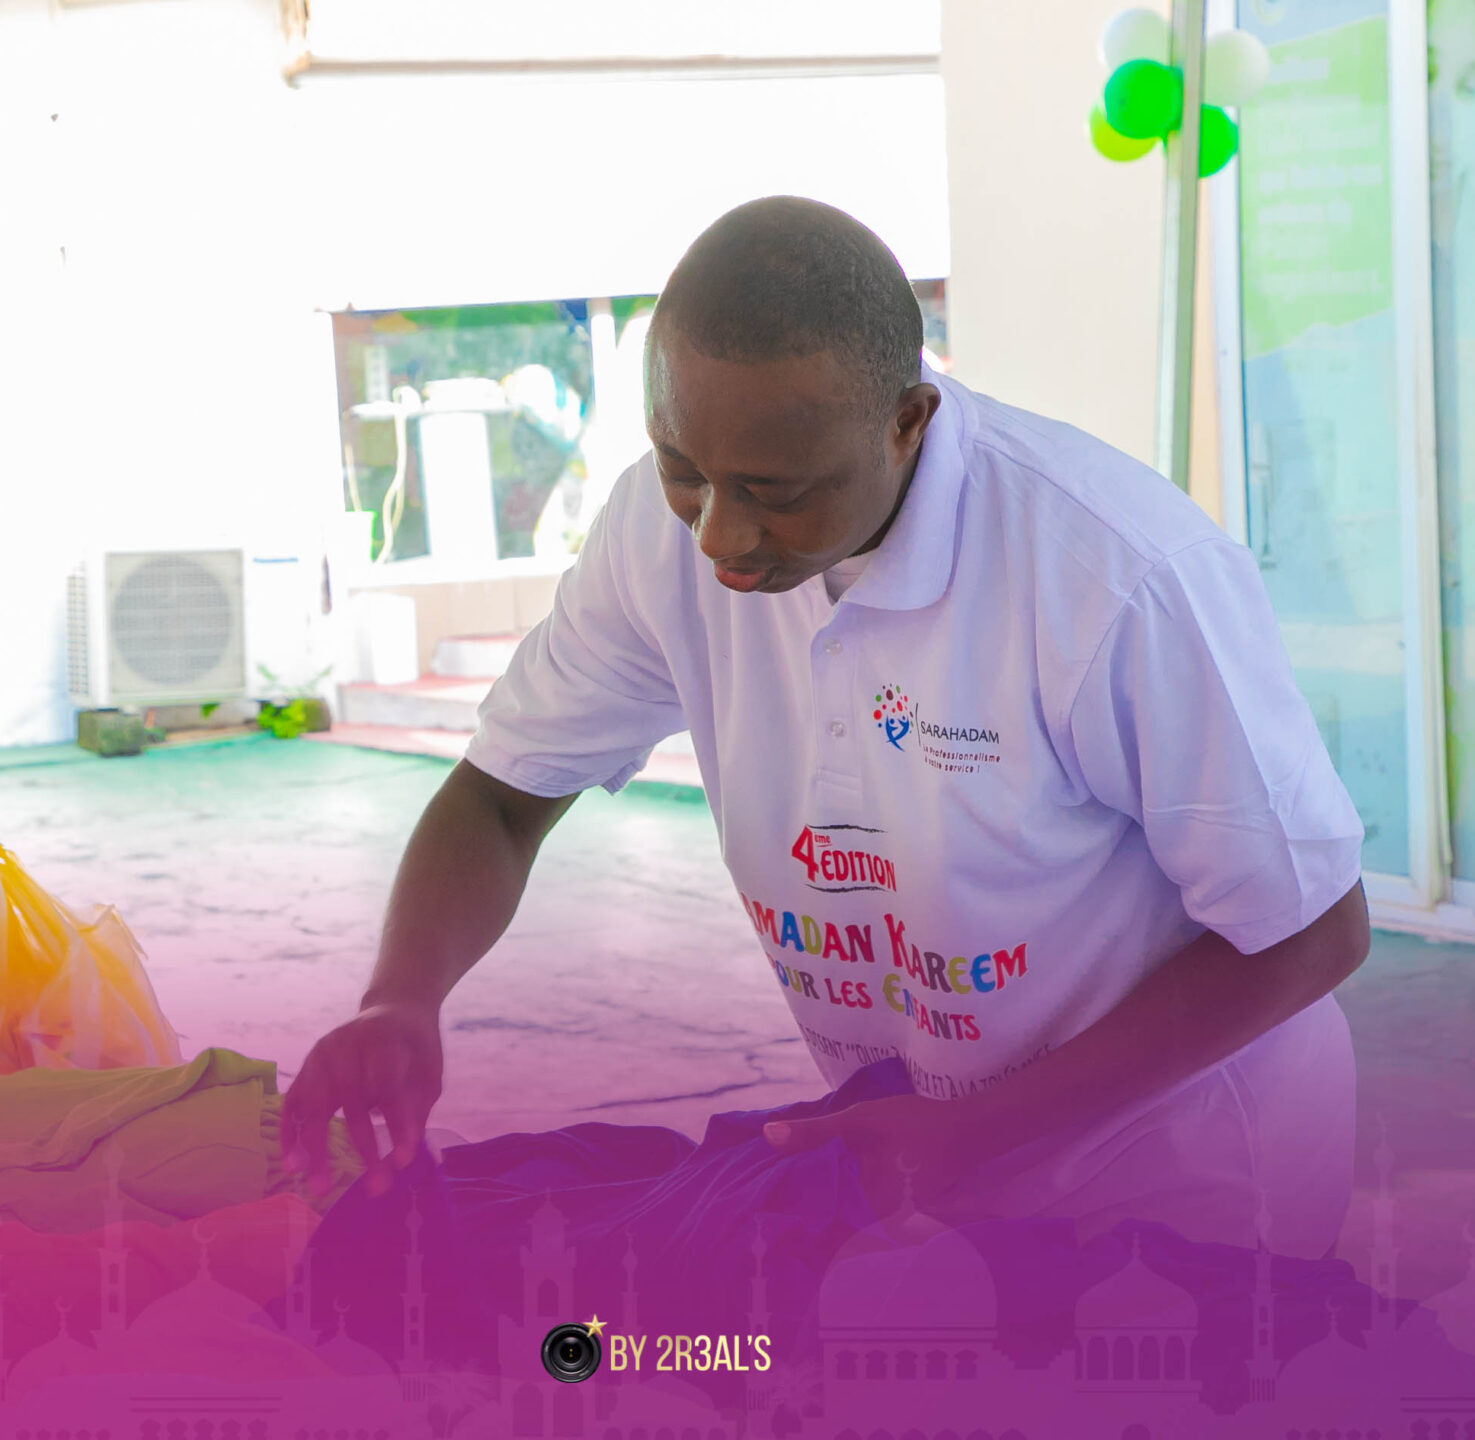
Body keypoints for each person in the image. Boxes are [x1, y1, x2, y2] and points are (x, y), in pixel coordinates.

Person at [281, 197, 1370, 1256]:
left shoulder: (1113, 575)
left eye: (775, 491)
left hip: (1184, 1190)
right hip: (925, 1172)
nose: (719, 534)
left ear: (907, 424)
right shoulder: (656, 540)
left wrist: (976, 1132)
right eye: (682, 471)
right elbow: (501, 800)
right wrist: (400, 999)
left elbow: (1311, 929)